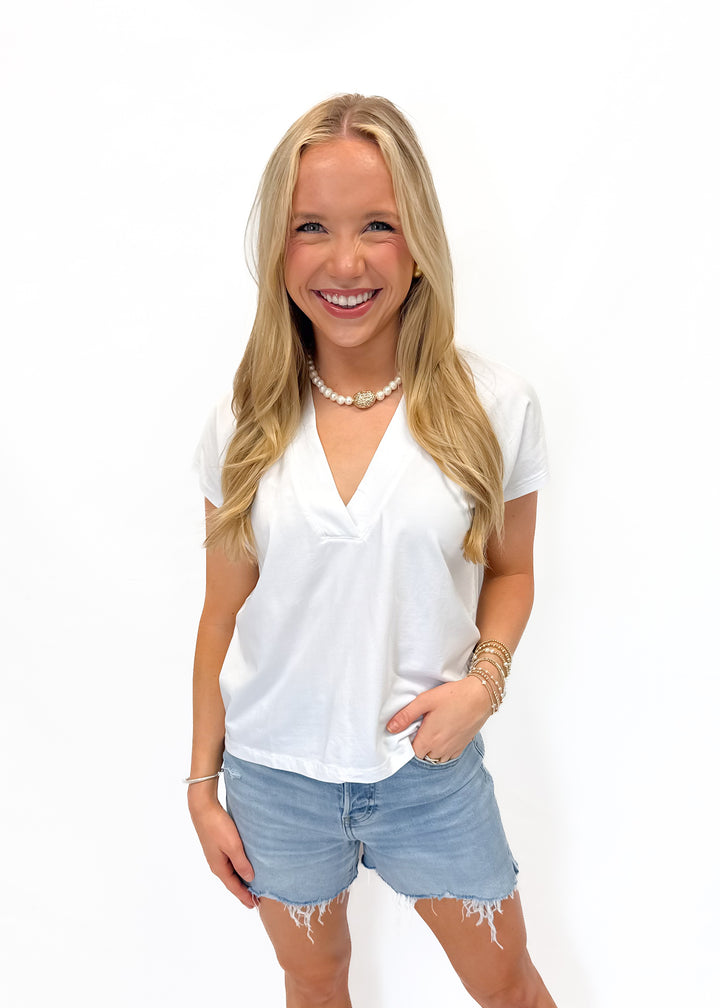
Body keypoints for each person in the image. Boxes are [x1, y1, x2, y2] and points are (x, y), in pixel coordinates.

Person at [188, 93, 557, 1008]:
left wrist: (483, 686)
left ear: (418, 241)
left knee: (508, 985)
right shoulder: (243, 421)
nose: (345, 262)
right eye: (311, 226)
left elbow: (512, 571)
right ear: (278, 247)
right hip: (275, 778)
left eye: (378, 226)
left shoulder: (493, 407)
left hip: (428, 772)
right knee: (314, 983)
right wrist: (203, 783)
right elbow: (222, 611)